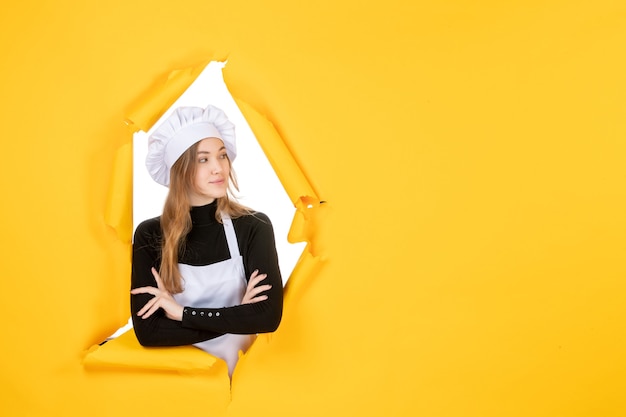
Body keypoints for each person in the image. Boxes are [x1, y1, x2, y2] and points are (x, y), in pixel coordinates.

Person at [130, 105, 283, 376]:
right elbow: (149, 333)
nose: (218, 168)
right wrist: (238, 316)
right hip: (181, 384)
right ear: (180, 169)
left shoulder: (253, 226)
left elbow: (268, 316)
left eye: (222, 156)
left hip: (242, 384)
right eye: (203, 159)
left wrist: (182, 314)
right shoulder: (150, 235)